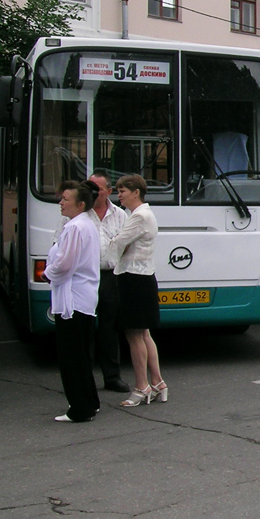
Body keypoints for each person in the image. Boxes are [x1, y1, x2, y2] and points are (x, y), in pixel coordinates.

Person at [108, 174, 168, 406]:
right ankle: (158, 382)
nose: (119, 195)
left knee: (134, 334)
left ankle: (141, 386)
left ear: (136, 192)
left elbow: (118, 242)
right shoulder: (144, 215)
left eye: (123, 191)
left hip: (133, 277)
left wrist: (113, 246)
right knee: (143, 333)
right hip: (143, 276)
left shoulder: (139, 216)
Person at [45, 180, 102, 423]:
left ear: (80, 204)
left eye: (65, 199)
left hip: (73, 301)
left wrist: (47, 273)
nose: (61, 203)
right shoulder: (85, 224)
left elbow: (65, 264)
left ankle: (80, 408)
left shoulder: (75, 227)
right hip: (84, 299)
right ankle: (90, 401)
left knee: (71, 357)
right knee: (81, 355)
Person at [88, 170, 130, 393]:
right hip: (85, 278)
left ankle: (112, 377)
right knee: (85, 329)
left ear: (109, 191)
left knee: (109, 328)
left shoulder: (121, 215)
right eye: (90, 188)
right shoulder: (79, 214)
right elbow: (58, 242)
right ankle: (85, 380)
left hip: (110, 276)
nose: (93, 193)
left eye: (98, 189)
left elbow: (127, 246)